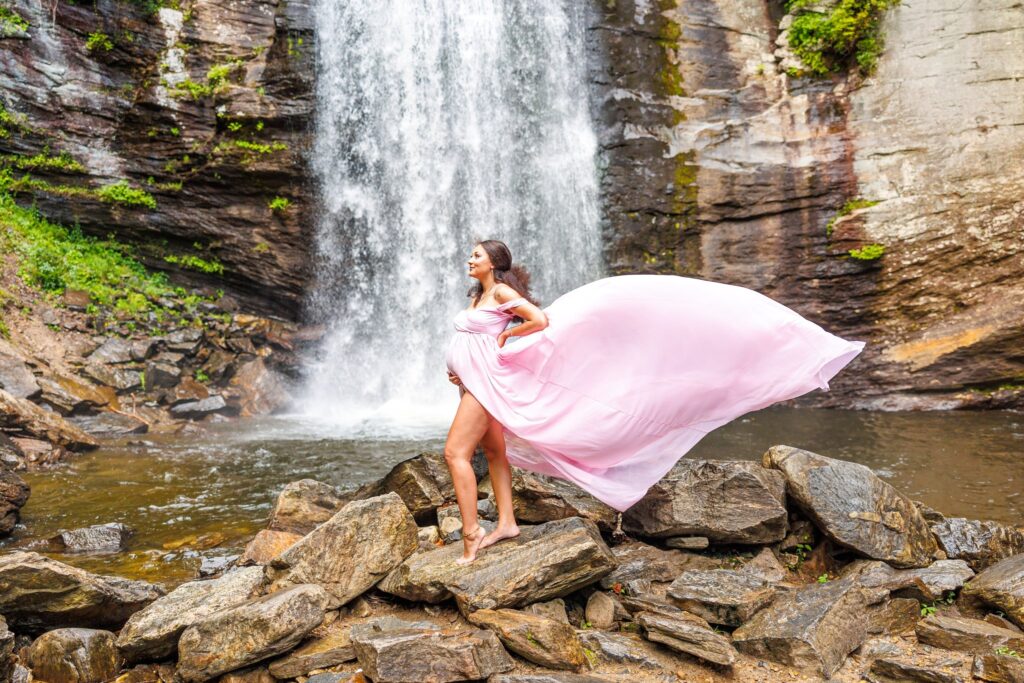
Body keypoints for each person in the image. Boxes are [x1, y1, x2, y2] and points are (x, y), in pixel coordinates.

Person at [444, 239, 865, 564]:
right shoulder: (477, 296)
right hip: (474, 382)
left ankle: (471, 534)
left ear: (493, 263)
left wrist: (506, 337)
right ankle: (507, 522)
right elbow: (473, 339)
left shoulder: (501, 292)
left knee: (454, 453)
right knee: (495, 452)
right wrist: (463, 366)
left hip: (487, 385)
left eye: (476, 254)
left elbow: (538, 321)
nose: (470, 258)